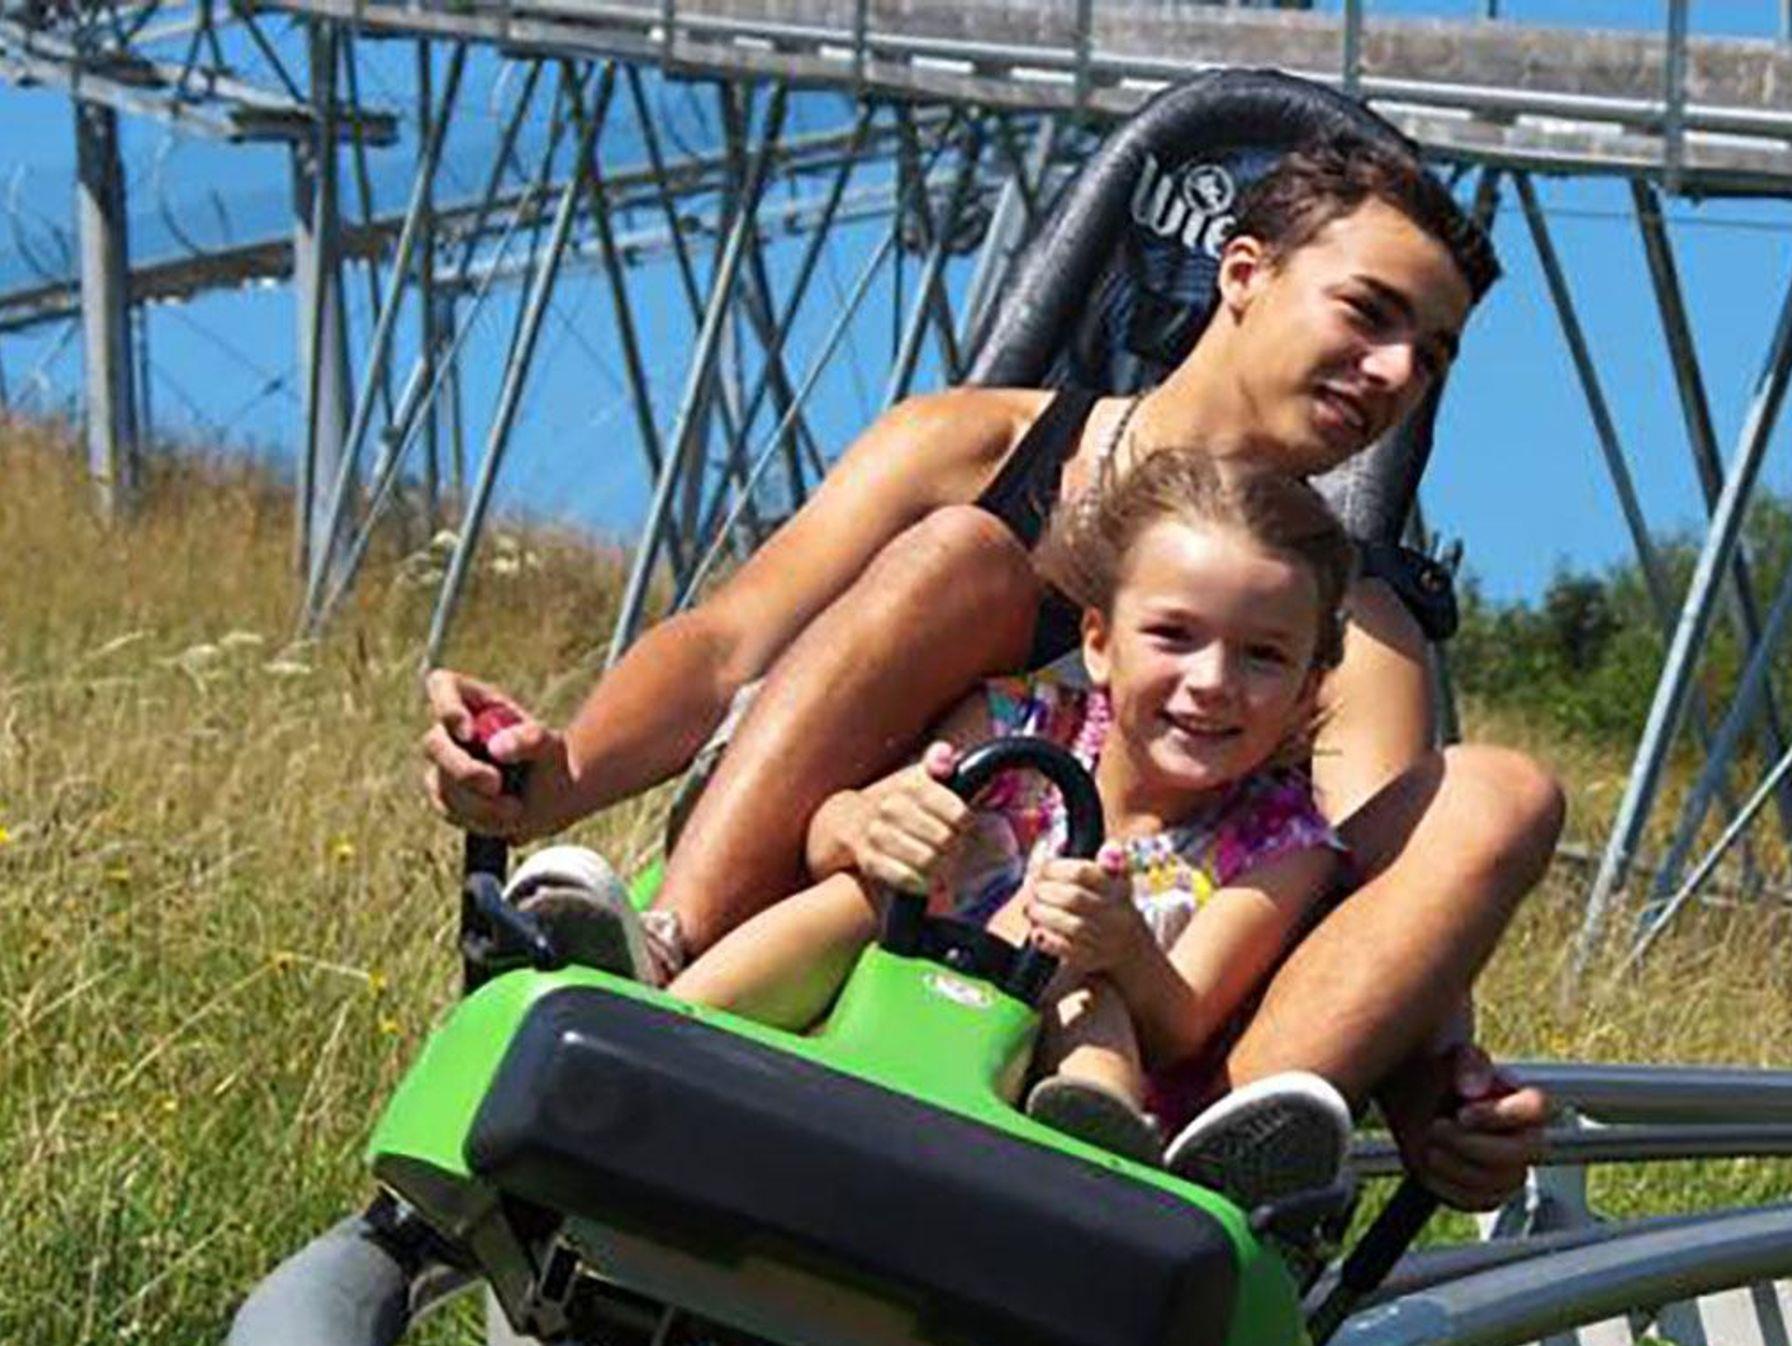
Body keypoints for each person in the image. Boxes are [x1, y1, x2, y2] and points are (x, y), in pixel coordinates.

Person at [423, 132, 1561, 1213]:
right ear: (1243, 273)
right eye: (1369, 313)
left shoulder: (1352, 630)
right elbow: (731, 642)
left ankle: (1209, 1164)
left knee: (1501, 791)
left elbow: (1364, 900)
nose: (1395, 371)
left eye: (1431, 355)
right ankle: (667, 953)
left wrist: (1436, 1095)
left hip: (1125, 1015)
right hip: (866, 900)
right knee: (963, 556)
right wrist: (560, 773)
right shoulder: (978, 448)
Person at [665, 449, 1353, 1191]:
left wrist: (1123, 947)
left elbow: (1180, 1023)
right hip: (883, 1003)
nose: (1213, 682)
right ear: (1100, 644)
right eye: (1174, 635)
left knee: (1081, 978)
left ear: (1306, 690)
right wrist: (869, 822)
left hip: (1021, 1091)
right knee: (866, 891)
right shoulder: (1011, 723)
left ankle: (1098, 1147)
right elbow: (830, 838)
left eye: (1263, 657)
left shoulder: (1282, 843)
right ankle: (671, 1017)